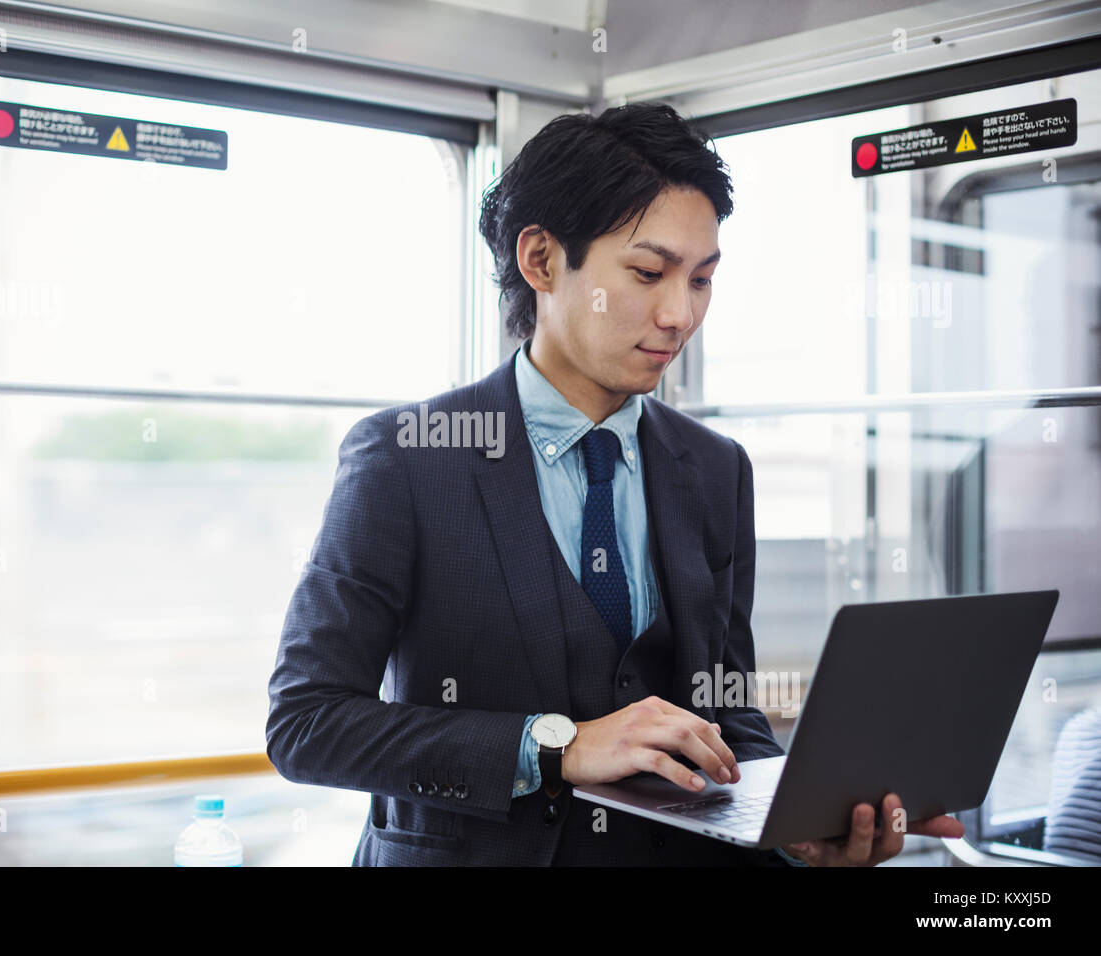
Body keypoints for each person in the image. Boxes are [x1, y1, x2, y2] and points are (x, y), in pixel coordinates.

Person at [266, 101, 964, 865]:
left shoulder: (716, 468)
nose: (680, 314)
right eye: (647, 272)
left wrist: (793, 825)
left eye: (702, 279)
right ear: (540, 261)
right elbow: (307, 724)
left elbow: (725, 709)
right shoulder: (407, 458)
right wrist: (554, 745)